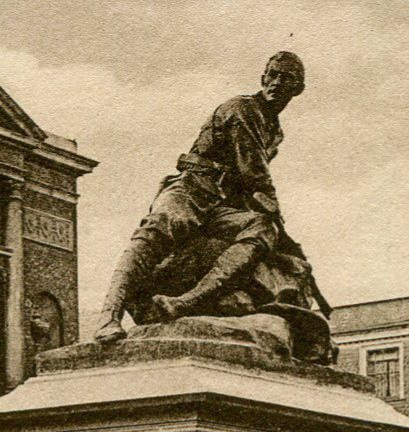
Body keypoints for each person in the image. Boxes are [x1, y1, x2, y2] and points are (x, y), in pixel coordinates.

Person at [93, 52, 319, 350]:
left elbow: (248, 187)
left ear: (298, 88)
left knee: (262, 228)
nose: (276, 82)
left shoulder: (275, 132)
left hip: (222, 205)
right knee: (157, 229)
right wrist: (276, 212)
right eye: (272, 74)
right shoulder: (242, 108)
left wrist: (275, 228)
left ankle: (186, 303)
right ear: (263, 77)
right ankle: (109, 316)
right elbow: (255, 173)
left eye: (286, 78)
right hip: (193, 187)